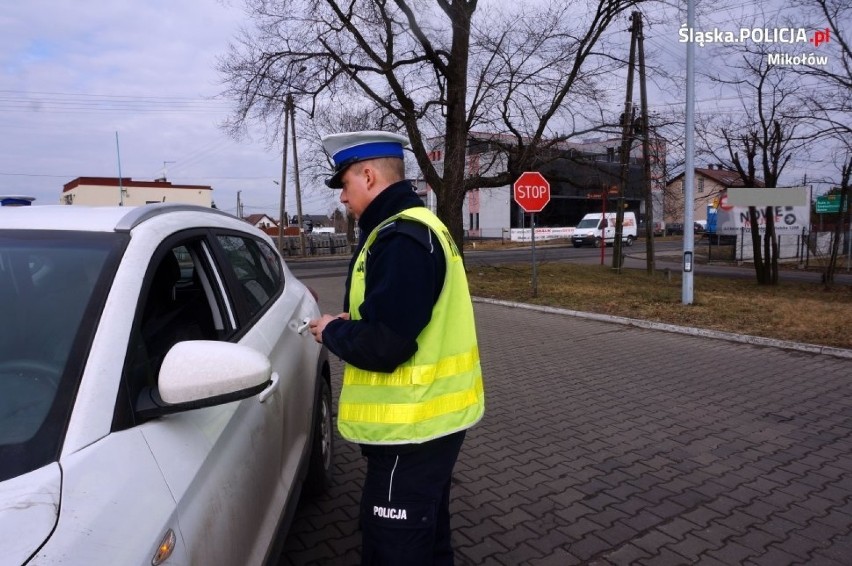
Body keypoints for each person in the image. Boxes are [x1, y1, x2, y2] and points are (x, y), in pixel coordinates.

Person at [308, 130, 485, 565]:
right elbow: (401, 315)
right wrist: (361, 322)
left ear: (368, 176)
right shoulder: (415, 228)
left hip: (410, 431)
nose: (343, 198)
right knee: (429, 542)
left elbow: (386, 345)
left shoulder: (400, 237)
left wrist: (331, 331)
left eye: (344, 185)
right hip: (426, 425)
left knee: (395, 550)